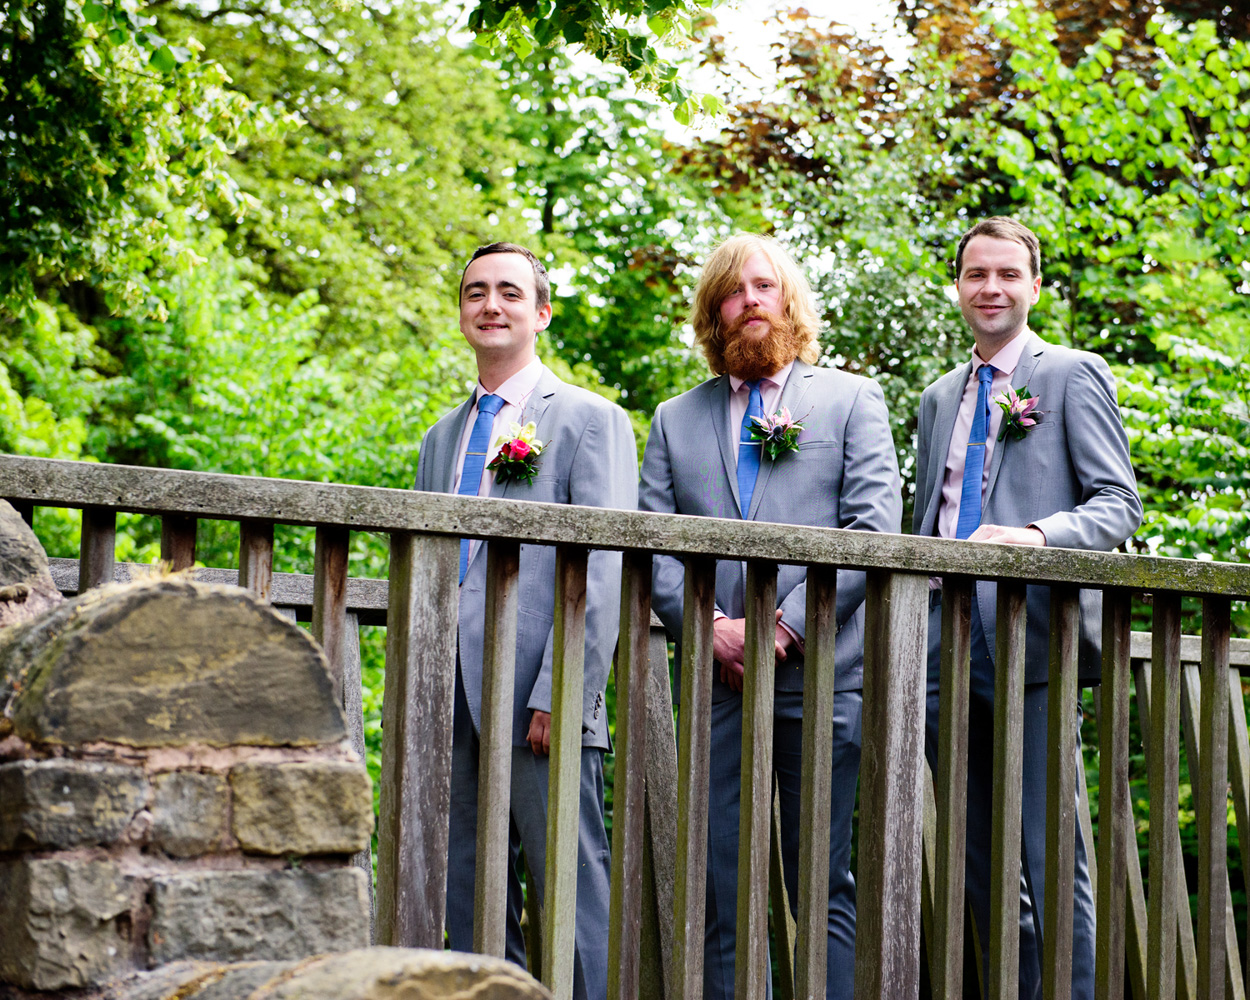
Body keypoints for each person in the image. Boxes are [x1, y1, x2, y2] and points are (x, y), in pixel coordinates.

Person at [638, 233, 902, 1000]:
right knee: (721, 881)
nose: (750, 301)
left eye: (763, 286)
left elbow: (872, 532)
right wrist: (707, 628)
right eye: (732, 290)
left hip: (824, 676)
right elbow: (653, 544)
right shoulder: (673, 419)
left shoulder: (851, 400)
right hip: (715, 683)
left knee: (822, 878)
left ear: (788, 301)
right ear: (712, 312)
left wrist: (782, 625)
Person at [913, 217, 1142, 999]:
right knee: (976, 855)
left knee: (1051, 854)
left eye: (1009, 275)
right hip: (945, 643)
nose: (992, 289)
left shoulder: (1073, 373)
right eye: (978, 274)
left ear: (1034, 287)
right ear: (958, 286)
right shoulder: (939, 396)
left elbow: (1118, 504)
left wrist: (1038, 535)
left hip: (1032, 639)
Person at [415, 242, 637, 1000]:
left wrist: (564, 689)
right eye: (475, 292)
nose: (490, 305)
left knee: (570, 881)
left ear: (540, 312)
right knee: (467, 880)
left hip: (542, 691)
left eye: (509, 292)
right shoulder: (439, 439)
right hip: (449, 687)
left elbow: (602, 568)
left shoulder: (588, 420)